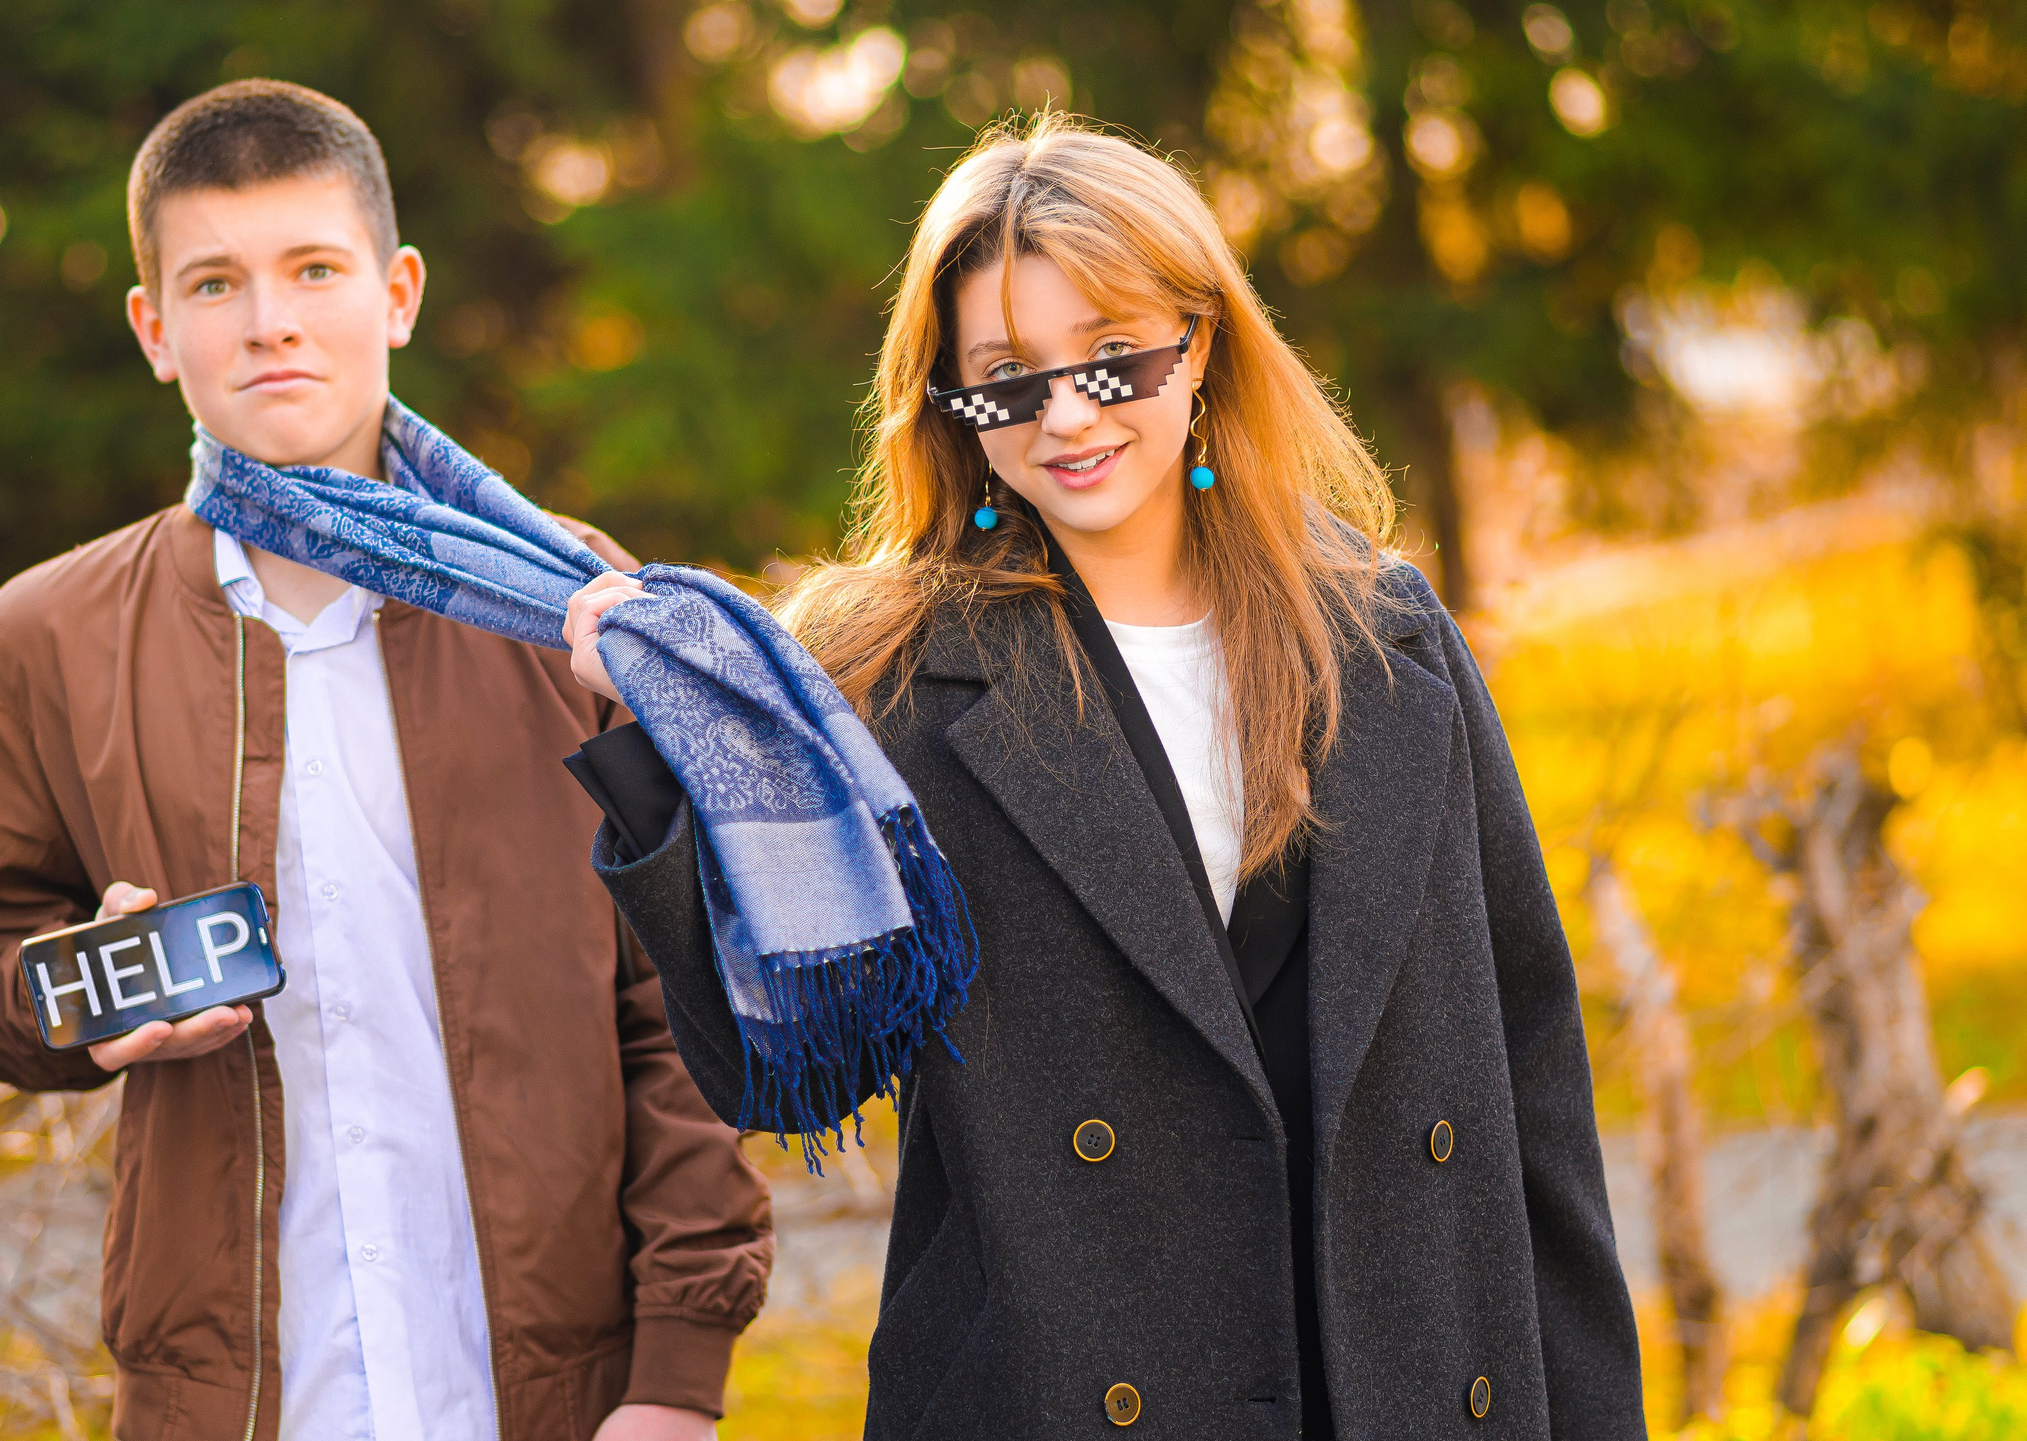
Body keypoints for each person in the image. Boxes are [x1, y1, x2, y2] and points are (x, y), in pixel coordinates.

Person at [560, 115, 1645, 1439]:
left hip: (1411, 1385)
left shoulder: (1388, 635)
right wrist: (669, 761)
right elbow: (776, 1060)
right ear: (952, 407)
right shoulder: (889, 678)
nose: (1066, 416)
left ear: (1203, 349)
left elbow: (1534, 1074)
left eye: (1111, 358)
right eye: (1005, 378)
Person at [0, 80, 771, 1441]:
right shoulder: (36, 645)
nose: (269, 322)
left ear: (397, 292)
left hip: (557, 1399)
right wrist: (81, 989)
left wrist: (677, 1379)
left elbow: (676, 1011)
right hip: (239, 1405)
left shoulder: (577, 615)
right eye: (215, 282)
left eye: (314, 268)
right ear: (155, 328)